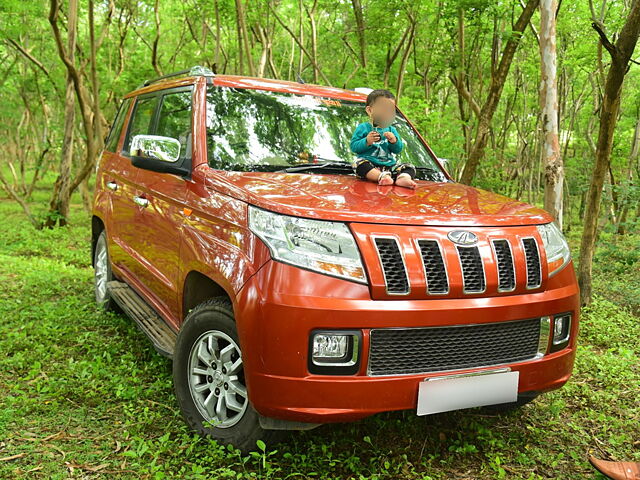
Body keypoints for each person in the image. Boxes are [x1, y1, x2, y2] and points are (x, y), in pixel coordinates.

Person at [349, 89, 418, 189]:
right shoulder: (363, 128)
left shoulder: (392, 130)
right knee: (358, 164)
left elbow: (398, 149)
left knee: (409, 166)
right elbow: (354, 147)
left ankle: (403, 178)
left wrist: (394, 141)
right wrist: (367, 141)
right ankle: (381, 177)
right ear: (370, 110)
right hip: (370, 167)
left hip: (389, 166)